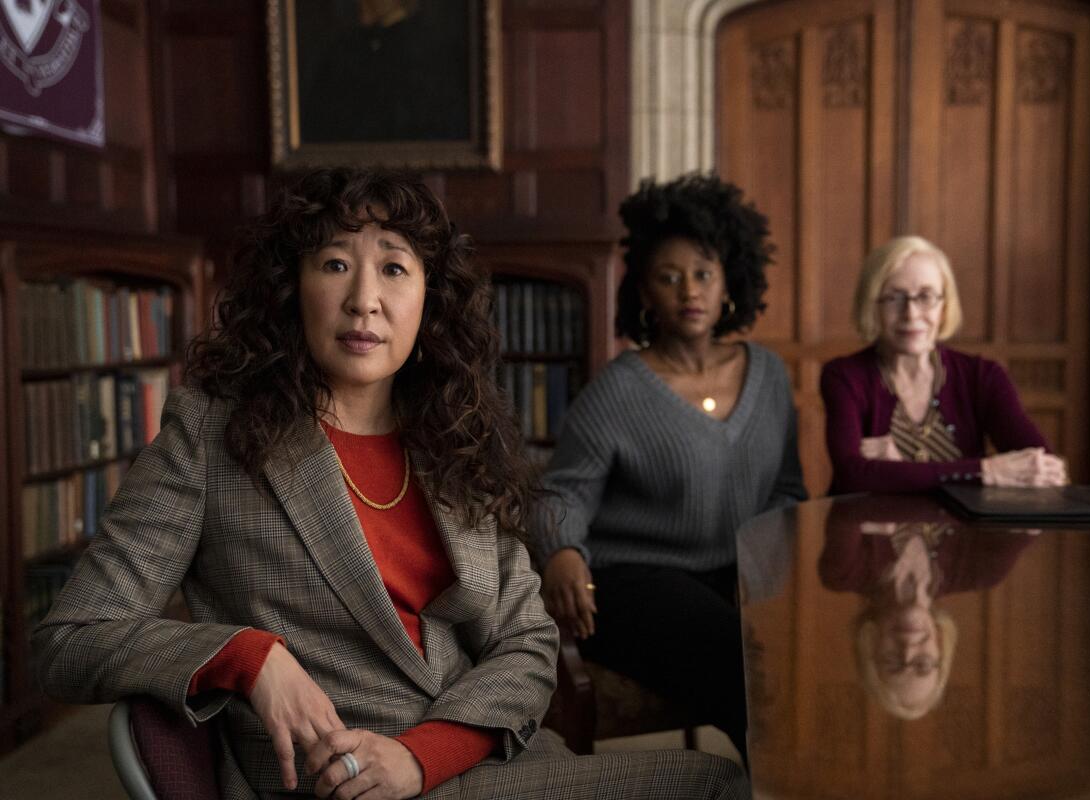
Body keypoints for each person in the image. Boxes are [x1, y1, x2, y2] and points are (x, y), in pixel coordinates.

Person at [33, 168, 748, 800]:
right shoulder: (211, 437)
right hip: (339, 782)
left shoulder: (451, 436)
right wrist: (245, 658)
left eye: (396, 270)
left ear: (429, 301)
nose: (365, 300)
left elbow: (527, 640)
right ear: (292, 289)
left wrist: (427, 753)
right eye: (336, 264)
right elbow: (70, 638)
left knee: (736, 783)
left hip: (467, 760)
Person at [532, 173, 808, 762]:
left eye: (704, 273)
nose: (690, 290)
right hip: (633, 578)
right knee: (741, 659)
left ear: (730, 281)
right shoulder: (617, 391)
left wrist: (767, 568)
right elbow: (561, 492)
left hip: (736, 573)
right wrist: (562, 550)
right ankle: (787, 778)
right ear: (645, 295)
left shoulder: (770, 376)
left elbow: (787, 490)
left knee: (808, 650)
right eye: (669, 276)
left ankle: (795, 773)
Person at [821, 236, 1068, 495]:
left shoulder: (982, 376)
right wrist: (988, 472)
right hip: (867, 533)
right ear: (872, 305)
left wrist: (900, 470)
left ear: (945, 305)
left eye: (926, 297)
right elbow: (852, 476)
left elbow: (1046, 470)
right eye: (894, 298)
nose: (911, 314)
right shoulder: (844, 376)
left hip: (966, 535)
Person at [818, 495, 1036, 719]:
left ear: (871, 646)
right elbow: (1034, 503)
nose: (909, 648)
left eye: (892, 661)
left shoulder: (844, 572)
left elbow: (850, 505)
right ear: (940, 646)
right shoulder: (982, 570)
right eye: (922, 663)